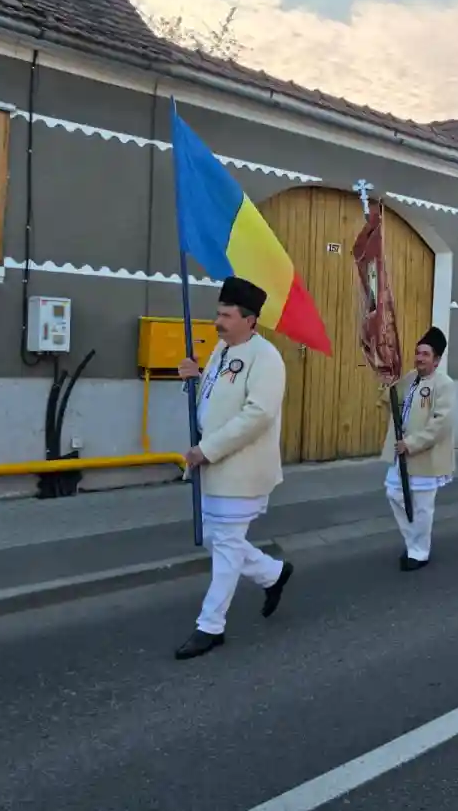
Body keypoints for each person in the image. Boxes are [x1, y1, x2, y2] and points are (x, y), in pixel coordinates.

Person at [174, 276, 293, 661]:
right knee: (217, 539)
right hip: (214, 468)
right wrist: (192, 380)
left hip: (242, 470)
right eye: (218, 313)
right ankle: (272, 574)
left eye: (226, 315)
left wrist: (207, 450)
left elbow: (257, 415)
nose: (218, 322)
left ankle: (211, 626)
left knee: (225, 545)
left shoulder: (266, 358)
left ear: (250, 320)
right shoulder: (222, 351)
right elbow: (211, 401)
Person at [380, 326, 455, 572]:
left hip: (425, 456)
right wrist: (386, 382)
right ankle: (414, 540)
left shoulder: (444, 384)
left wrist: (411, 444)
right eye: (418, 353)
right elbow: (389, 400)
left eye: (425, 354)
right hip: (401, 454)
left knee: (422, 506)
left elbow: (441, 424)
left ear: (437, 359)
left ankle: (419, 551)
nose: (419, 358)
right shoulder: (411, 378)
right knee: (394, 493)